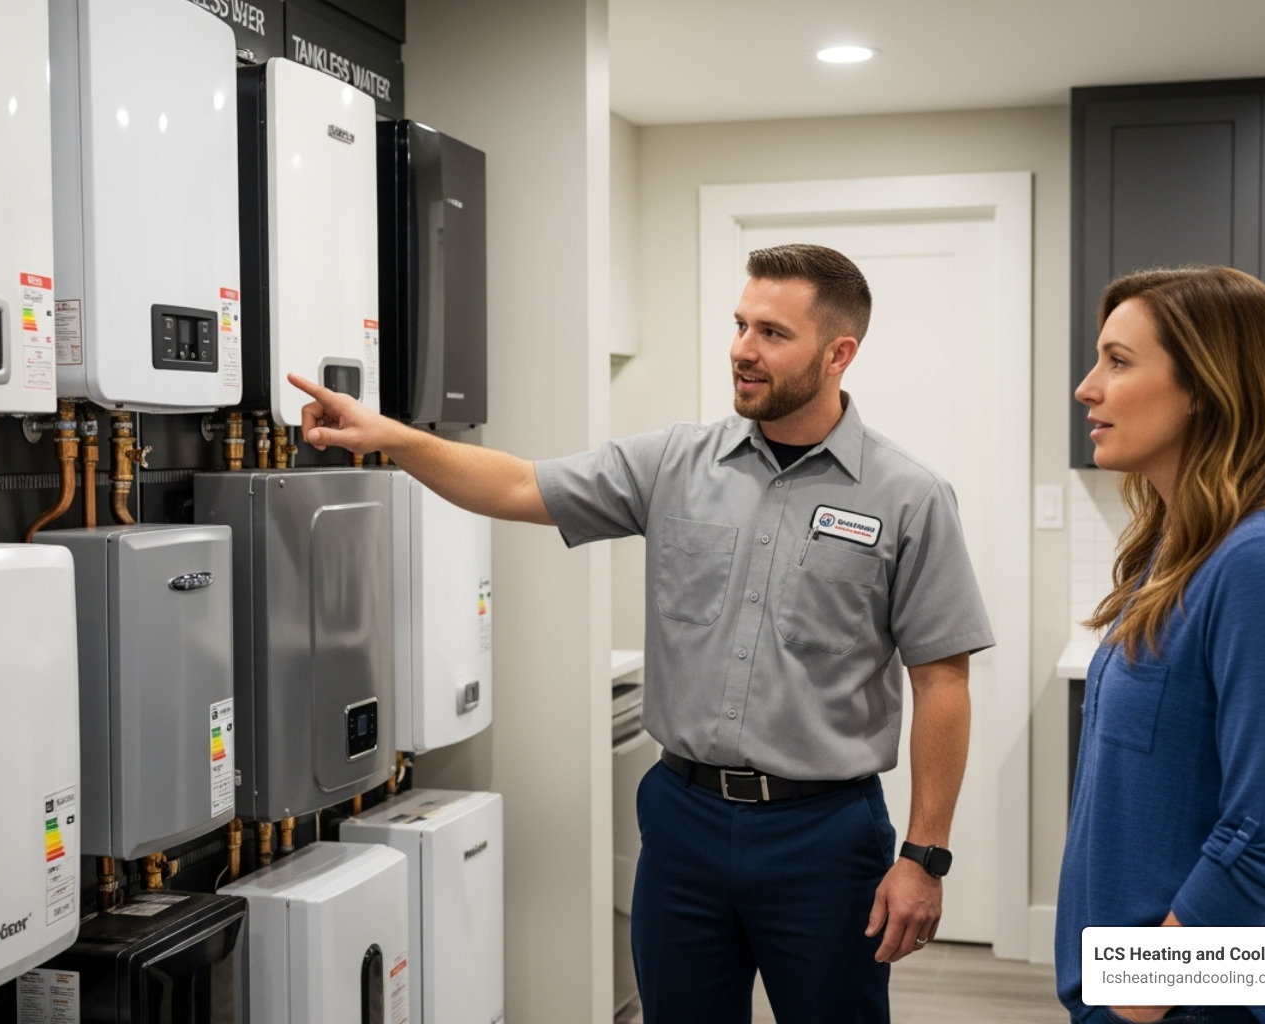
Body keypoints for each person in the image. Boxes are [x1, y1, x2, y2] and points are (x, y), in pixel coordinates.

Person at [291, 243, 993, 1023]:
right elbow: (521, 483)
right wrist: (388, 435)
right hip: (683, 824)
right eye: (739, 325)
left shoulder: (909, 497)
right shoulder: (676, 464)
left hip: (823, 836)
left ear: (838, 354)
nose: (742, 350)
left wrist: (925, 858)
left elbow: (942, 683)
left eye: (771, 333)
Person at [1057, 266, 1265, 1024]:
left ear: (1205, 388)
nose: (1088, 388)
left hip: (1216, 1003)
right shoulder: (1180, 548)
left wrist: (1143, 995)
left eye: (1118, 362)